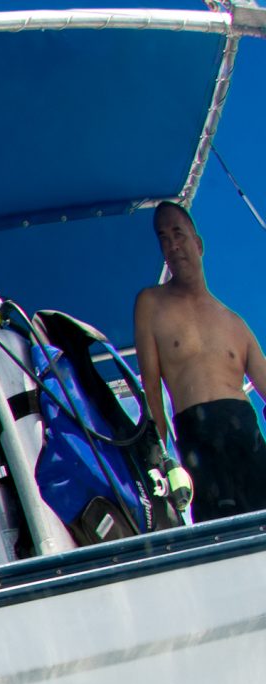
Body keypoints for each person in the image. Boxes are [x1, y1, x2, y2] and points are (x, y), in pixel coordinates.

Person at [135, 200, 266, 524]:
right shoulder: (151, 304)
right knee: (221, 537)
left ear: (198, 243)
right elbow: (151, 388)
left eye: (178, 233)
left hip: (245, 432)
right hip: (198, 435)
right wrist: (159, 458)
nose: (173, 244)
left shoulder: (234, 323)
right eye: (163, 238)